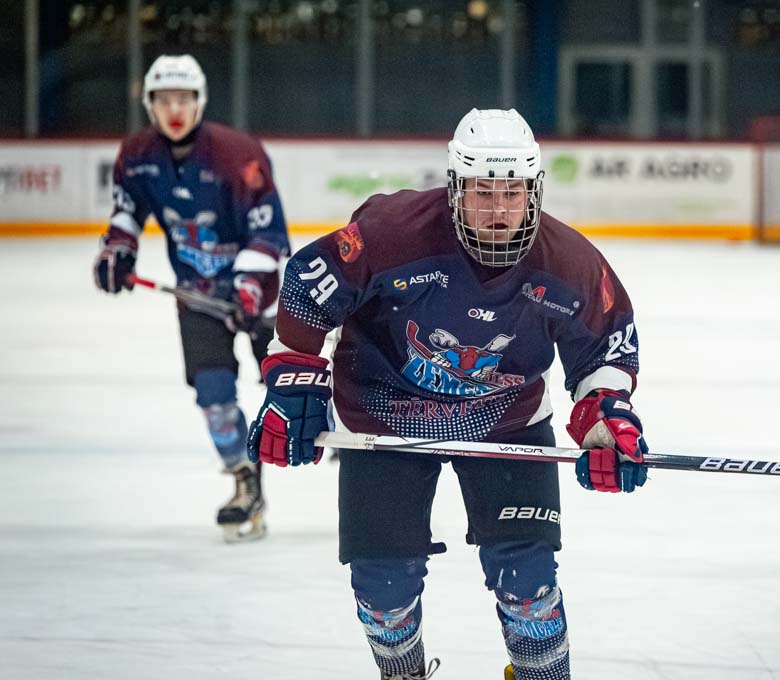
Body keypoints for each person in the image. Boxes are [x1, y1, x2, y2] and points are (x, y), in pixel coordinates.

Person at [246, 108, 649, 680]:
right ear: (456, 188)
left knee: (529, 587)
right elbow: (310, 287)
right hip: (384, 419)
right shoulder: (393, 232)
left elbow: (605, 349)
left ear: (534, 191)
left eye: (512, 193)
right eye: (483, 192)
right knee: (384, 593)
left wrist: (606, 419)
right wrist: (293, 379)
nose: (498, 210)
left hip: (505, 422)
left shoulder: (569, 262)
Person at [93, 54, 290, 542]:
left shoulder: (238, 154)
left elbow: (269, 231)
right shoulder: (137, 155)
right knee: (214, 396)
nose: (174, 110)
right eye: (164, 100)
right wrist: (118, 250)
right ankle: (245, 483)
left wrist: (248, 283)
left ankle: (342, 431)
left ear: (200, 102)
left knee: (291, 390)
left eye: (183, 99)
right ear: (149, 104)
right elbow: (126, 214)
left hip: (261, 295)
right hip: (197, 296)